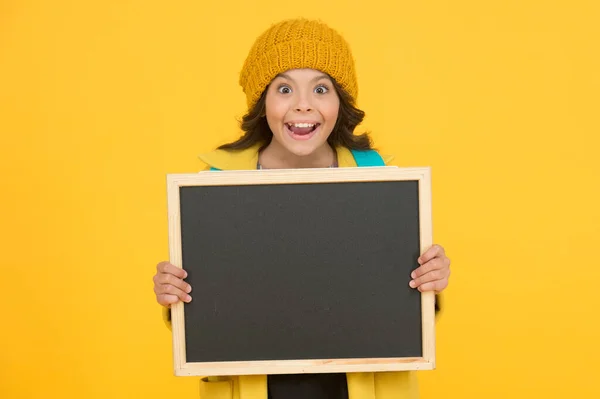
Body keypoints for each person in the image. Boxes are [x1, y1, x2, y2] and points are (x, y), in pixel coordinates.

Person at [153, 18, 451, 399]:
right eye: (284, 88)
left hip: (361, 385)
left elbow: (399, 303)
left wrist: (430, 281)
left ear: (340, 101)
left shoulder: (378, 180)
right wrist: (174, 293)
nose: (303, 105)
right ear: (263, 101)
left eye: (321, 88)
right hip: (255, 385)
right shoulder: (216, 184)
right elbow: (207, 312)